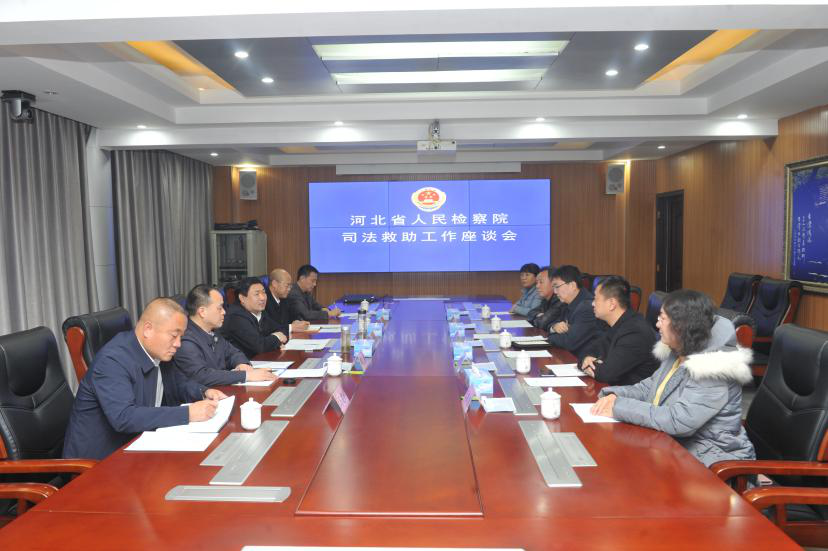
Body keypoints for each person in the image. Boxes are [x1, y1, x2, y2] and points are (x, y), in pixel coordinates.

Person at [591, 289, 755, 467]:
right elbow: (649, 388)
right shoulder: (681, 349)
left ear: (682, 325)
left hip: (712, 458)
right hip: (677, 446)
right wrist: (612, 395)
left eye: (662, 318)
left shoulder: (713, 367)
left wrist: (619, 406)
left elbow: (679, 420)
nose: (657, 324)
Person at [63, 298, 226, 460]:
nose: (178, 344)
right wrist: (188, 413)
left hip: (137, 446)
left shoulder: (158, 351)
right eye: (174, 335)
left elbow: (178, 383)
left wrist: (203, 392)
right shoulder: (112, 360)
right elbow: (124, 417)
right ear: (148, 329)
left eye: (181, 337)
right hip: (99, 462)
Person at [171, 284, 275, 386]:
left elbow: (234, 353)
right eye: (219, 308)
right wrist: (245, 376)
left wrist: (242, 364)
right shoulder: (185, 340)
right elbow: (202, 375)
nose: (224, 312)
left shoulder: (213, 331)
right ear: (202, 312)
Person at [580, 276, 660, 385]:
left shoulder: (635, 332)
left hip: (632, 394)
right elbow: (588, 350)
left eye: (596, 299)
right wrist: (587, 358)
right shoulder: (617, 323)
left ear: (612, 304)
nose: (592, 303)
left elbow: (606, 373)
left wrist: (589, 364)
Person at [545, 265, 601, 357]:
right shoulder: (568, 302)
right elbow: (551, 323)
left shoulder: (588, 307)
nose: (555, 292)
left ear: (572, 286)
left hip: (585, 359)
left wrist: (548, 337)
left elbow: (569, 342)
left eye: (557, 286)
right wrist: (554, 327)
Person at [222, 277, 284, 359]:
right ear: (242, 298)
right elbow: (259, 346)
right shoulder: (235, 317)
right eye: (257, 294)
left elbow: (279, 329)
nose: (262, 298)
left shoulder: (259, 311)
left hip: (259, 360)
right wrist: (277, 338)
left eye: (264, 292)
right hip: (240, 364)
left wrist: (274, 340)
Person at [265, 268, 311, 334]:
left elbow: (294, 314)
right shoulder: (263, 301)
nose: (289, 289)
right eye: (287, 285)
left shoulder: (284, 298)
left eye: (290, 286)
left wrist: (297, 321)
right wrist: (291, 327)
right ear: (274, 284)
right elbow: (269, 327)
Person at [527, 266, 565, 331]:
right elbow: (530, 313)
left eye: (541, 282)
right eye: (536, 283)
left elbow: (542, 322)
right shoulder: (545, 300)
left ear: (554, 283)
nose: (537, 286)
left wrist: (539, 318)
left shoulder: (560, 300)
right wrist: (538, 315)